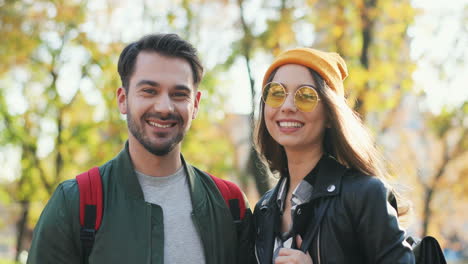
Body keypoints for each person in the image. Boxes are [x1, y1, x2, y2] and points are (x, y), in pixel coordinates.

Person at [27, 33, 254, 264]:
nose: (164, 107)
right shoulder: (75, 202)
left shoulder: (230, 205)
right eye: (149, 91)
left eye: (179, 94)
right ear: (123, 99)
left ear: (194, 105)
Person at [253, 48, 415, 263]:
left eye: (306, 96)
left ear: (330, 115)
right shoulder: (263, 209)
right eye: (276, 93)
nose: (288, 106)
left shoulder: (365, 195)